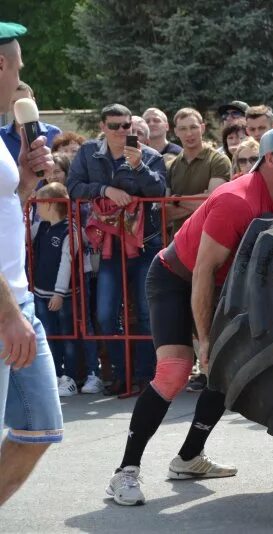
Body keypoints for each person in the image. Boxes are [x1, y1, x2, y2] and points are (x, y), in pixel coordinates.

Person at [105, 127, 273, 506]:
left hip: (217, 286)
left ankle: (188, 458)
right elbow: (200, 273)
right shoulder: (237, 200)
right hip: (174, 279)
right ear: (271, 159)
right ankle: (125, 472)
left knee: (225, 370)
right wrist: (206, 341)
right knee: (175, 372)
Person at [0, 20, 61, 506]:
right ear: (1, 64)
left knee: (39, 428)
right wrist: (9, 316)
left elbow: (9, 207)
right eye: (19, 66)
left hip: (18, 302)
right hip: (6, 309)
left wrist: (23, 177)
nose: (23, 75)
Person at [66, 103, 167, 396]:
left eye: (127, 126)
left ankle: (146, 377)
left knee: (148, 314)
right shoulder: (88, 153)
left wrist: (138, 167)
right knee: (106, 313)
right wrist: (104, 190)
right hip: (110, 247)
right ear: (102, 128)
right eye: (115, 126)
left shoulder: (149, 156)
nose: (122, 131)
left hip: (146, 245)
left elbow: (159, 192)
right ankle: (122, 374)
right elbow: (72, 186)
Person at [30, 183, 102, 396]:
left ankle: (70, 377)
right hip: (41, 292)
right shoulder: (41, 226)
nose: (36, 208)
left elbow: (67, 262)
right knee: (49, 335)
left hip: (64, 295)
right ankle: (55, 375)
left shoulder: (71, 230)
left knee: (67, 334)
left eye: (40, 203)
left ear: (51, 204)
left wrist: (59, 292)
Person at [166, 108, 232, 232]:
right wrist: (201, 200)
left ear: (202, 128)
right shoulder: (171, 165)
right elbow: (166, 213)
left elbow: (214, 203)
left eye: (193, 127)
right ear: (176, 132)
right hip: (177, 241)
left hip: (210, 238)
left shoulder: (218, 160)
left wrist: (177, 200)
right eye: (183, 129)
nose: (189, 133)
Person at [0, 81, 62, 162]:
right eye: (15, 102)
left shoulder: (54, 133)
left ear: (34, 102)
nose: (21, 107)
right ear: (9, 105)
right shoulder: (1, 136)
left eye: (25, 101)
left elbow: (63, 166)